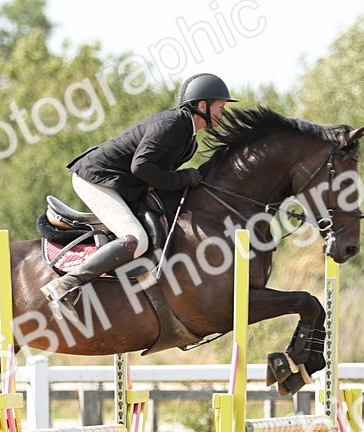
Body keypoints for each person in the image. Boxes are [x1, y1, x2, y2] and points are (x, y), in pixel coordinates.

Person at [41, 73, 236, 322]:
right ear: (202, 106)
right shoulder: (174, 124)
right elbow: (141, 166)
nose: (224, 113)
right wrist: (183, 179)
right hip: (97, 179)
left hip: (122, 184)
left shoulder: (189, 136)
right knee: (136, 239)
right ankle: (66, 285)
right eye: (221, 107)